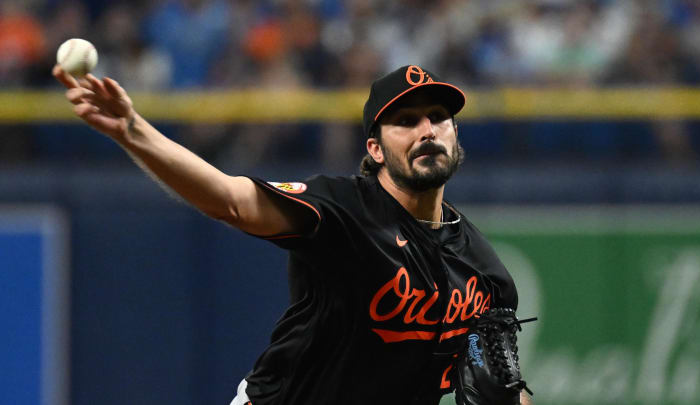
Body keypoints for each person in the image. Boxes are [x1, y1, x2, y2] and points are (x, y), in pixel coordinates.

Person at [53, 64, 531, 405]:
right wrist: (133, 130)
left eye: (438, 118)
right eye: (405, 121)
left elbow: (504, 387)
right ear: (376, 149)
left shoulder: (484, 272)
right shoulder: (344, 212)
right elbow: (230, 200)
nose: (427, 130)